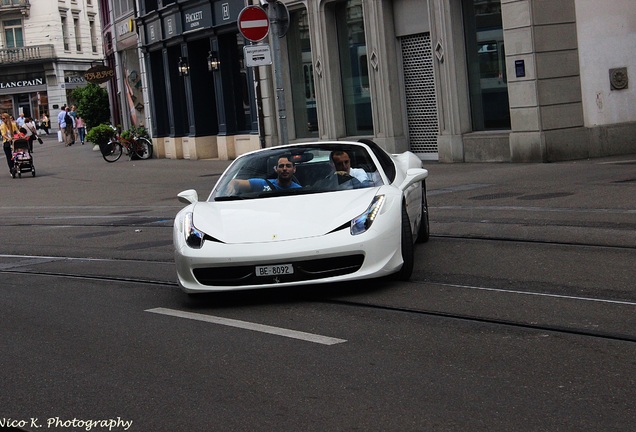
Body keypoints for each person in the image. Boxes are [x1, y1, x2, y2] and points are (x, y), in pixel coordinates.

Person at [230, 156, 301, 193]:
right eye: (281, 166)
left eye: (288, 166)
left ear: (294, 169)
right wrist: (231, 186)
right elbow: (235, 182)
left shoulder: (299, 190)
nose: (284, 169)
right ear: (276, 169)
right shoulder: (262, 184)